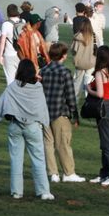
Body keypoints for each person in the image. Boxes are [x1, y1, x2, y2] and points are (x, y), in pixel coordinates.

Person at [0, 59, 54, 200]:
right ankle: (43, 191)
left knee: (16, 159)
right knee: (38, 159)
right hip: (33, 127)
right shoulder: (38, 87)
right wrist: (44, 123)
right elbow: (42, 107)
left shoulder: (13, 86)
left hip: (15, 126)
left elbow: (2, 103)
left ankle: (17, 192)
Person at [40, 43, 84, 183]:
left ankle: (53, 173)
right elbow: (70, 96)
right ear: (63, 56)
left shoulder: (43, 71)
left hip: (45, 111)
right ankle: (68, 172)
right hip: (60, 112)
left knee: (48, 143)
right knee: (63, 143)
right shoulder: (65, 72)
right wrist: (74, 114)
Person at [87, 46, 109, 187]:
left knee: (107, 143)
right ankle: (105, 172)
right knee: (105, 141)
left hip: (103, 108)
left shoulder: (99, 73)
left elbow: (100, 94)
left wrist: (89, 89)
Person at [71, 21, 96, 104]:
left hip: (80, 62)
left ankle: (74, 100)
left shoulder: (77, 37)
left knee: (77, 83)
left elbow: (73, 50)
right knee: (88, 82)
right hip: (91, 62)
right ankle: (89, 100)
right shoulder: (94, 36)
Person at [0, 4, 22, 85]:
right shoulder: (23, 22)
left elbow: (3, 41)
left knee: (10, 80)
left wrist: (0, 55)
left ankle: (11, 97)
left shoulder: (6, 24)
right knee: (21, 79)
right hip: (21, 54)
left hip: (9, 54)